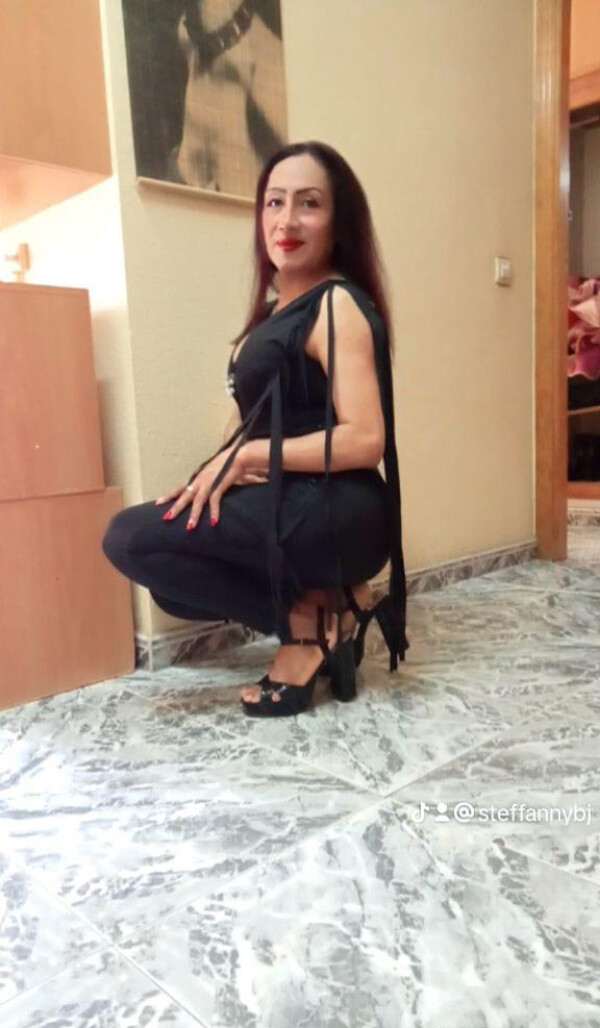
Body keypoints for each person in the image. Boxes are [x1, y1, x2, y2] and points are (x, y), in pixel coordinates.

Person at [102, 140, 409, 718]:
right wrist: (211, 475)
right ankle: (328, 610)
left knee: (127, 537)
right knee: (168, 579)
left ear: (338, 221)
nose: (286, 220)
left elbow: (365, 438)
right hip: (289, 496)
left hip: (340, 505)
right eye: (274, 202)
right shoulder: (270, 315)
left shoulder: (337, 303)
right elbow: (249, 421)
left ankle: (308, 631)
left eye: (308, 203)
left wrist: (246, 459)